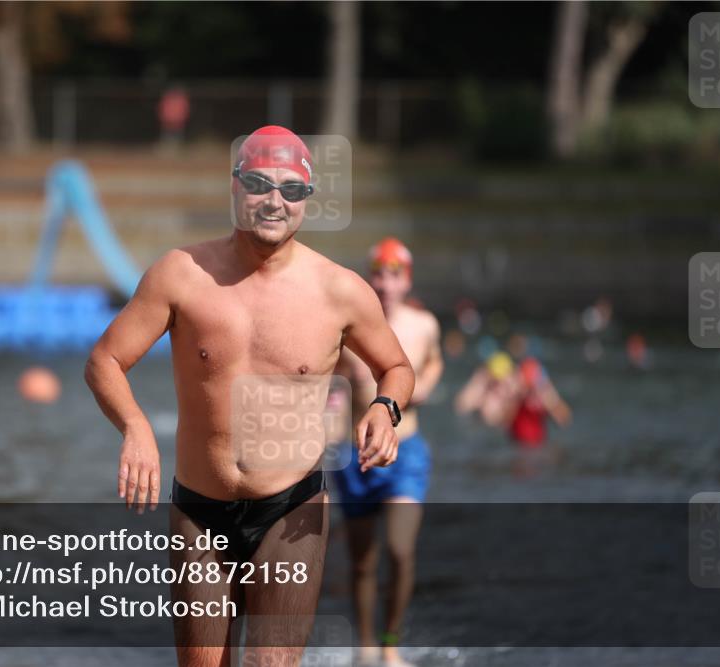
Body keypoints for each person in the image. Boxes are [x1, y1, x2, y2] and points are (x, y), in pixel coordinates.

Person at [85, 126, 415, 667]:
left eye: (291, 190)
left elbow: (396, 366)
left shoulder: (339, 291)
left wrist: (386, 407)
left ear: (308, 200)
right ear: (235, 188)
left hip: (292, 509)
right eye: (260, 183)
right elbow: (105, 360)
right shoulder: (182, 275)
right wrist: (136, 427)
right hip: (199, 510)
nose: (274, 201)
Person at [331, 238, 443, 667]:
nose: (384, 283)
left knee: (399, 550)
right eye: (378, 273)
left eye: (394, 275)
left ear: (406, 280)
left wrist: (426, 385)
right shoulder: (350, 329)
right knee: (362, 562)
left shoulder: (423, 325)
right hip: (356, 457)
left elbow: (433, 362)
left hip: (405, 454)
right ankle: (365, 649)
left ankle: (390, 645)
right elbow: (331, 382)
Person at [507, 357, 571, 446]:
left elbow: (564, 418)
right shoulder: (515, 395)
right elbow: (501, 419)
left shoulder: (543, 395)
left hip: (538, 444)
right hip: (517, 444)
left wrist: (548, 395)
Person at [454, 351, 517, 428]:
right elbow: (461, 405)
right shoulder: (480, 386)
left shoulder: (511, 393)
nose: (497, 386)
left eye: (500, 382)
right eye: (494, 381)